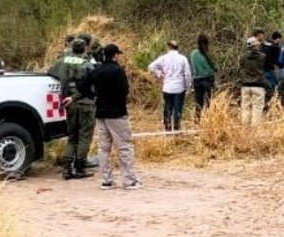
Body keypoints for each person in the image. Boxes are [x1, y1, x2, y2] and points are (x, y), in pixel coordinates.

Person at [89, 43, 142, 190]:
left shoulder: (97, 70)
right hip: (117, 113)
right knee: (124, 146)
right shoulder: (118, 71)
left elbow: (84, 85)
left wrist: (94, 96)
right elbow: (125, 91)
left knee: (103, 148)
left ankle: (106, 180)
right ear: (115, 55)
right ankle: (130, 180)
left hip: (100, 113)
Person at [48, 38, 95, 180]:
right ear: (85, 49)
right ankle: (80, 167)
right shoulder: (87, 64)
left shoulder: (62, 61)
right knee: (85, 136)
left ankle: (67, 169)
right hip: (85, 102)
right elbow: (92, 84)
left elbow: (51, 72)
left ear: (71, 48)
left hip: (68, 102)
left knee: (72, 137)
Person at [148, 40, 191, 131]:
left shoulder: (163, 58)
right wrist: (188, 87)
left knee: (167, 108)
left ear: (168, 47)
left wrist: (159, 73)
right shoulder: (183, 58)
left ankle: (167, 127)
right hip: (179, 88)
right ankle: (176, 128)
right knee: (177, 109)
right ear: (177, 48)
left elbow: (151, 67)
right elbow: (187, 75)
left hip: (167, 87)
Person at [238, 37, 268, 125]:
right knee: (257, 108)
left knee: (245, 107)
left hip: (245, 86)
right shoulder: (263, 56)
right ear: (255, 46)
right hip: (258, 86)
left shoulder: (242, 57)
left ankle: (245, 129)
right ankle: (255, 131)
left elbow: (241, 68)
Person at [190, 34, 217, 114]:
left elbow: (193, 67)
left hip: (196, 81)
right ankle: (209, 120)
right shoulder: (208, 54)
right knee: (210, 102)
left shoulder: (193, 53)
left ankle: (196, 122)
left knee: (198, 103)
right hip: (208, 80)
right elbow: (214, 68)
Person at [263, 31, 283, 107]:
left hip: (262, 69)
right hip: (270, 69)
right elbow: (277, 61)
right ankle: (271, 105)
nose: (279, 41)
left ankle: (265, 103)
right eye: (279, 39)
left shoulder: (265, 45)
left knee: (264, 87)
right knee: (275, 86)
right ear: (277, 38)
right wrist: (282, 66)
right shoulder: (276, 47)